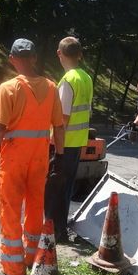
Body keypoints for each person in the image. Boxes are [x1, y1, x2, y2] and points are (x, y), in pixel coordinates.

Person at [0, 38, 65, 275]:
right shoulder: (51, 87)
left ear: (12, 59)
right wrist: (59, 157)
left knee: (10, 210)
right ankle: (31, 258)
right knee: (36, 208)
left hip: (14, 159)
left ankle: (13, 270)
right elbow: (59, 127)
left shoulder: (8, 89)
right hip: (39, 160)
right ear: (34, 58)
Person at [45, 36, 93, 243]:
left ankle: (51, 232)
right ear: (79, 54)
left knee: (53, 189)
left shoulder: (68, 80)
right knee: (65, 188)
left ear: (59, 54)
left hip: (63, 144)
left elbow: (61, 119)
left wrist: (54, 145)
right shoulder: (86, 77)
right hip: (77, 142)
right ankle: (60, 231)